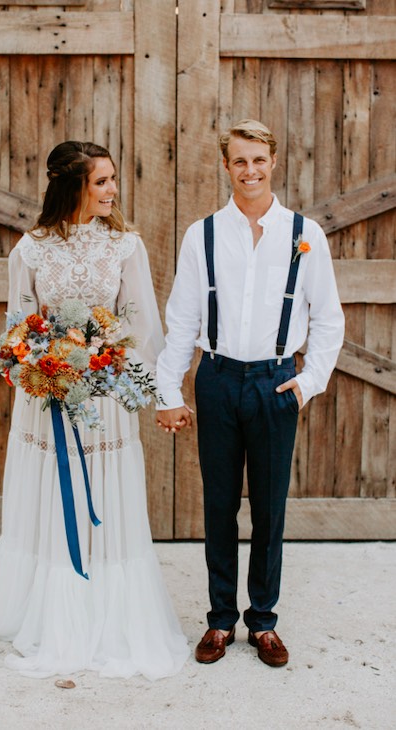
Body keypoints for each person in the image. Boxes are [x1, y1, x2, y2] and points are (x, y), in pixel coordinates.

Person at [0, 141, 189, 680]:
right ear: (72, 185)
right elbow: (19, 326)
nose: (113, 190)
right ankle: (52, 611)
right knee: (52, 496)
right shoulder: (29, 249)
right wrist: (43, 361)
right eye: (101, 181)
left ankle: (109, 610)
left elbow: (141, 323)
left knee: (105, 493)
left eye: (113, 179)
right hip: (47, 397)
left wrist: (101, 360)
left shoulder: (125, 247)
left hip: (104, 393)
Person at [156, 119, 344, 667]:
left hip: (275, 381)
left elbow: (328, 320)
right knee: (218, 507)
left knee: (268, 508)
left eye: (259, 159)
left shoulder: (305, 234)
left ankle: (262, 621)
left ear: (274, 162)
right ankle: (219, 621)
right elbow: (182, 319)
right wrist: (169, 389)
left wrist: (307, 384)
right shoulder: (204, 234)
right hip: (216, 378)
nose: (250, 170)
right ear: (226, 166)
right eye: (239, 161)